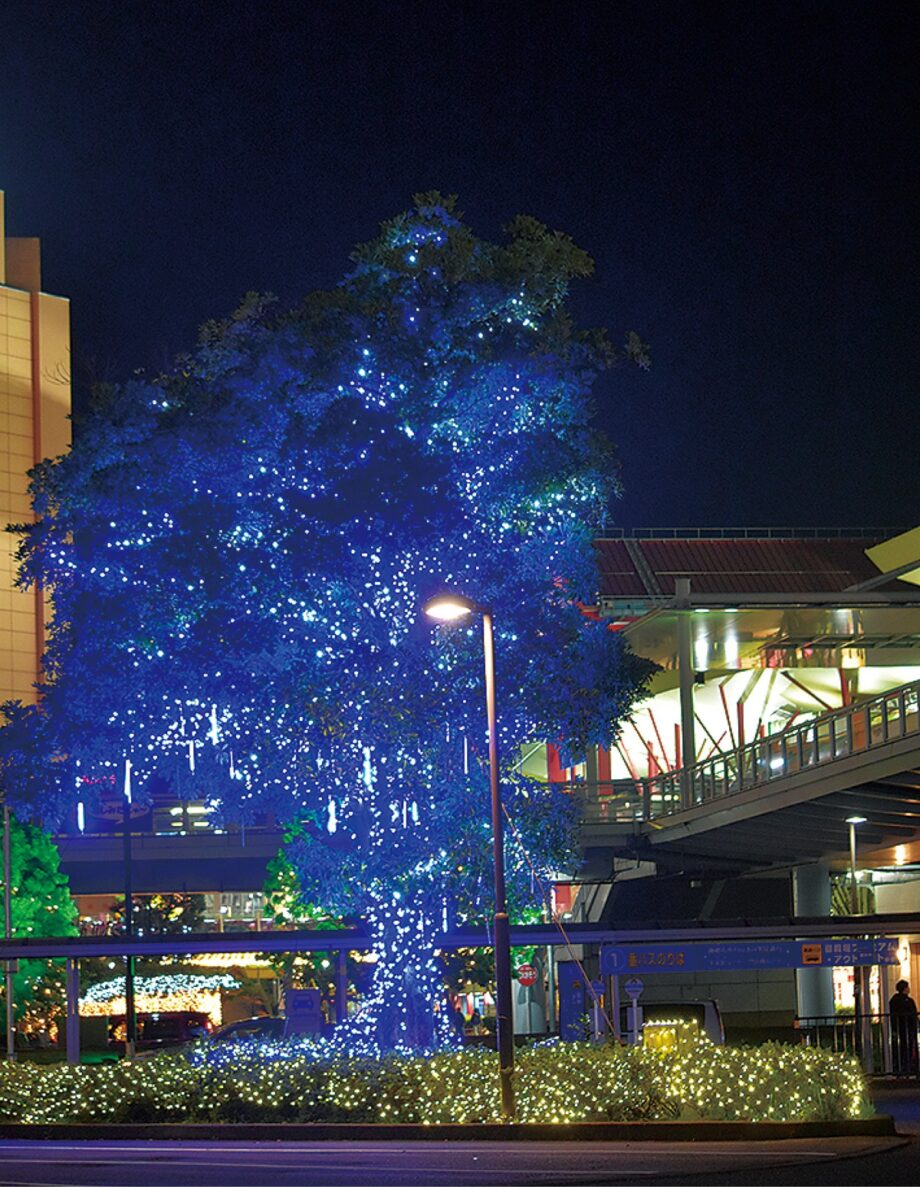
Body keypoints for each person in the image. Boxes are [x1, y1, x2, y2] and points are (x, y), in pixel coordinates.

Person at [889, 980, 918, 1076]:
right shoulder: (908, 1001)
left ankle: (900, 1068)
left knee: (900, 1048)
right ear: (905, 989)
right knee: (907, 1048)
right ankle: (907, 1067)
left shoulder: (893, 1001)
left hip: (899, 1028)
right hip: (907, 1028)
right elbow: (913, 1014)